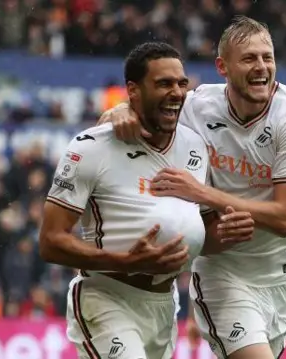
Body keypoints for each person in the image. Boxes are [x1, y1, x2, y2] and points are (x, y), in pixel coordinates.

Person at [99, 16, 286, 359]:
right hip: (222, 274)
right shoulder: (197, 106)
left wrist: (203, 193)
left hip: (280, 279)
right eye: (249, 58)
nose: (261, 67)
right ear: (223, 67)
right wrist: (119, 112)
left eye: (267, 57)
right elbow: (133, 110)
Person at [39, 42, 254, 359]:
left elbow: (199, 236)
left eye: (181, 84)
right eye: (164, 83)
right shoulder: (90, 147)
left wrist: (228, 233)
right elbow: (50, 241)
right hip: (107, 298)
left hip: (164, 306)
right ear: (133, 90)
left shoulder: (195, 146)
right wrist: (125, 262)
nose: (177, 92)